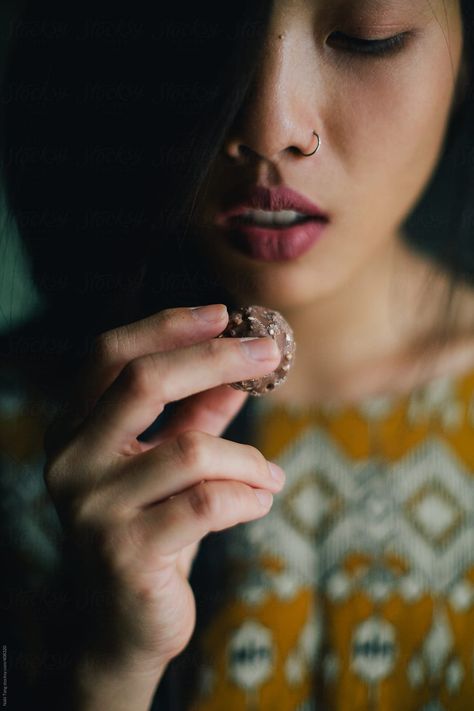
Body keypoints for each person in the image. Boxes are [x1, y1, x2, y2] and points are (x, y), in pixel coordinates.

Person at [1, 0, 474, 709]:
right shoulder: (22, 430)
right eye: (212, 39)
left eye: (367, 39)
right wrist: (109, 669)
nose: (269, 130)